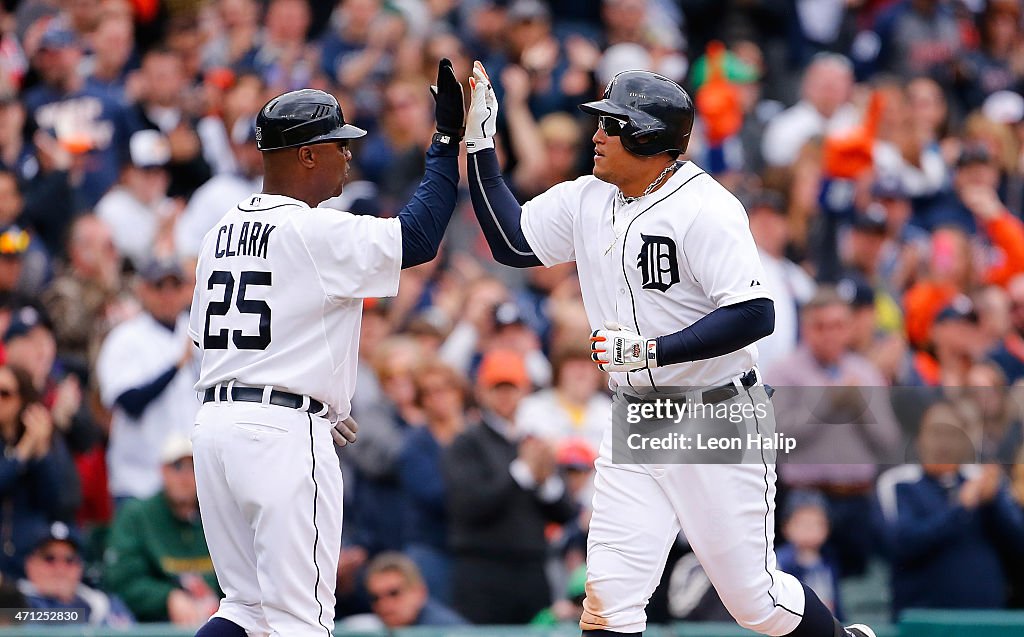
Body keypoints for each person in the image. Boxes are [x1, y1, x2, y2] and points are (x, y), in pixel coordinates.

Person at [463, 61, 876, 637]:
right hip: (634, 419)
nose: (598, 134)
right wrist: (481, 148)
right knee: (608, 604)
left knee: (754, 602)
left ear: (652, 139)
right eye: (601, 121)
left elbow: (756, 313)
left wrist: (653, 350)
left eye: (613, 124)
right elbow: (512, 243)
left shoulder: (707, 207)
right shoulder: (588, 197)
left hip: (714, 414)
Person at [188, 60, 465, 637]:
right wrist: (443, 144)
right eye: (337, 144)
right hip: (281, 433)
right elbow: (418, 237)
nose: (347, 155)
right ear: (306, 154)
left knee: (242, 609)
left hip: (217, 425)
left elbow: (207, 340)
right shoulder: (312, 229)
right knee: (301, 621)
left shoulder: (219, 231)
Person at [443, 348, 577, 624]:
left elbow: (565, 513)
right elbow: (469, 506)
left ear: (524, 391)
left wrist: (546, 480)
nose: (505, 396)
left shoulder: (534, 442)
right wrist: (522, 472)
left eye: (512, 388)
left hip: (532, 570)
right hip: (482, 572)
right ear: (481, 391)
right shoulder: (466, 442)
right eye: (497, 388)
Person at [96, 257, 199, 503]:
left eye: (174, 286)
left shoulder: (196, 331)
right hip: (139, 482)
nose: (168, 294)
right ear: (143, 289)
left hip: (190, 485)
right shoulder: (125, 338)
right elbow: (130, 402)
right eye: (159, 286)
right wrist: (175, 367)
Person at [103, 435, 220, 626]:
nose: (185, 476)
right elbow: (122, 578)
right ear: (162, 471)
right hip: (152, 624)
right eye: (177, 466)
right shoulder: (137, 515)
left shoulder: (218, 514)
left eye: (193, 467)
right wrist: (167, 598)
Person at [18, 521, 134, 627]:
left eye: (69, 560)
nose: (60, 569)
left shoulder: (102, 603)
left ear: (80, 567)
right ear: (30, 564)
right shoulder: (13, 600)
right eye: (49, 559)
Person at [363, 552, 467, 628]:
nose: (384, 605)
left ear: (420, 592)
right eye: (375, 598)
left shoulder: (446, 630)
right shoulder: (369, 628)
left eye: (394, 593)